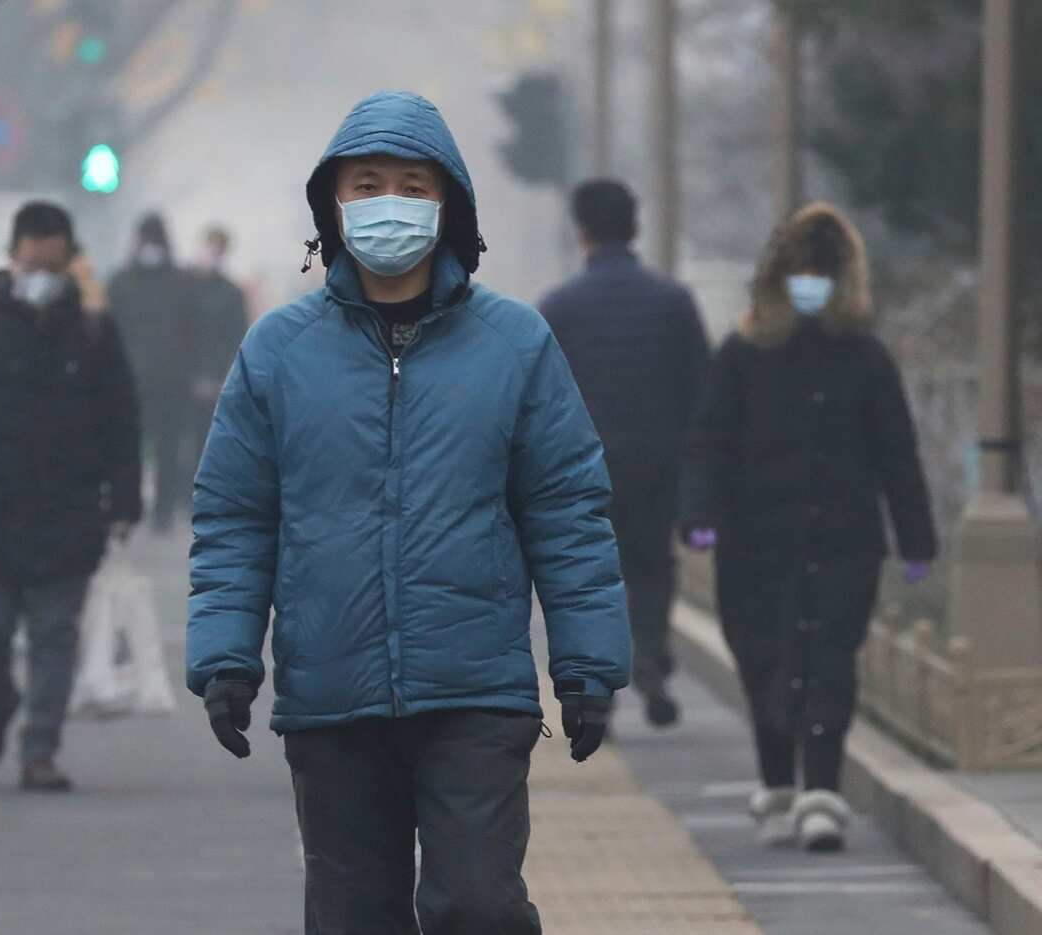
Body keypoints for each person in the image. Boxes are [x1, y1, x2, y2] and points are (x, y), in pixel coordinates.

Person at [186, 91, 630, 933]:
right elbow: (235, 516)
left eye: (412, 185)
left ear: (448, 205)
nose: (388, 202)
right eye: (366, 184)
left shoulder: (517, 344)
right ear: (333, 204)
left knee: (480, 905)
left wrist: (588, 663)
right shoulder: (277, 352)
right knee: (355, 916)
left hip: (475, 691)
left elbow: (568, 510)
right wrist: (224, 655)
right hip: (332, 697)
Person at [680, 202, 937, 852]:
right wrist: (700, 514)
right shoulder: (742, 354)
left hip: (843, 539)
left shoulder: (866, 357)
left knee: (829, 660)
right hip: (756, 540)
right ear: (778, 277)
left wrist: (916, 537)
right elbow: (710, 440)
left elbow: (896, 452)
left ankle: (822, 788)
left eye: (822, 272)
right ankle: (778, 783)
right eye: (800, 271)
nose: (810, 284)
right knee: (763, 658)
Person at [0, 201, 142, 793]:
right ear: (12, 256)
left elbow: (122, 421)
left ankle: (39, 749)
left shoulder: (94, 333)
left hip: (69, 512)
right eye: (31, 256)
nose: (41, 268)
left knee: (54, 635)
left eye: (53, 257)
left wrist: (123, 501)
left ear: (70, 260)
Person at [541, 179, 709, 729]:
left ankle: (600, 692)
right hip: (658, 464)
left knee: (591, 577)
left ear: (581, 231)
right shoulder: (673, 302)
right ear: (635, 228)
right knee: (651, 567)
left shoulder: (559, 309)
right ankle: (652, 655)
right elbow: (701, 395)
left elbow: (539, 404)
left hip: (582, 471)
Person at [109, 213, 195, 534]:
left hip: (162, 379)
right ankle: (141, 508)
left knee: (163, 448)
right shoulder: (175, 281)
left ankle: (157, 510)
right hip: (142, 379)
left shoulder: (128, 279)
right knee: (143, 447)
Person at [183, 225, 249, 485]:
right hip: (186, 374)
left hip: (215, 378)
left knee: (207, 437)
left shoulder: (232, 293)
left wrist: (224, 375)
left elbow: (236, 337)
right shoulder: (186, 286)